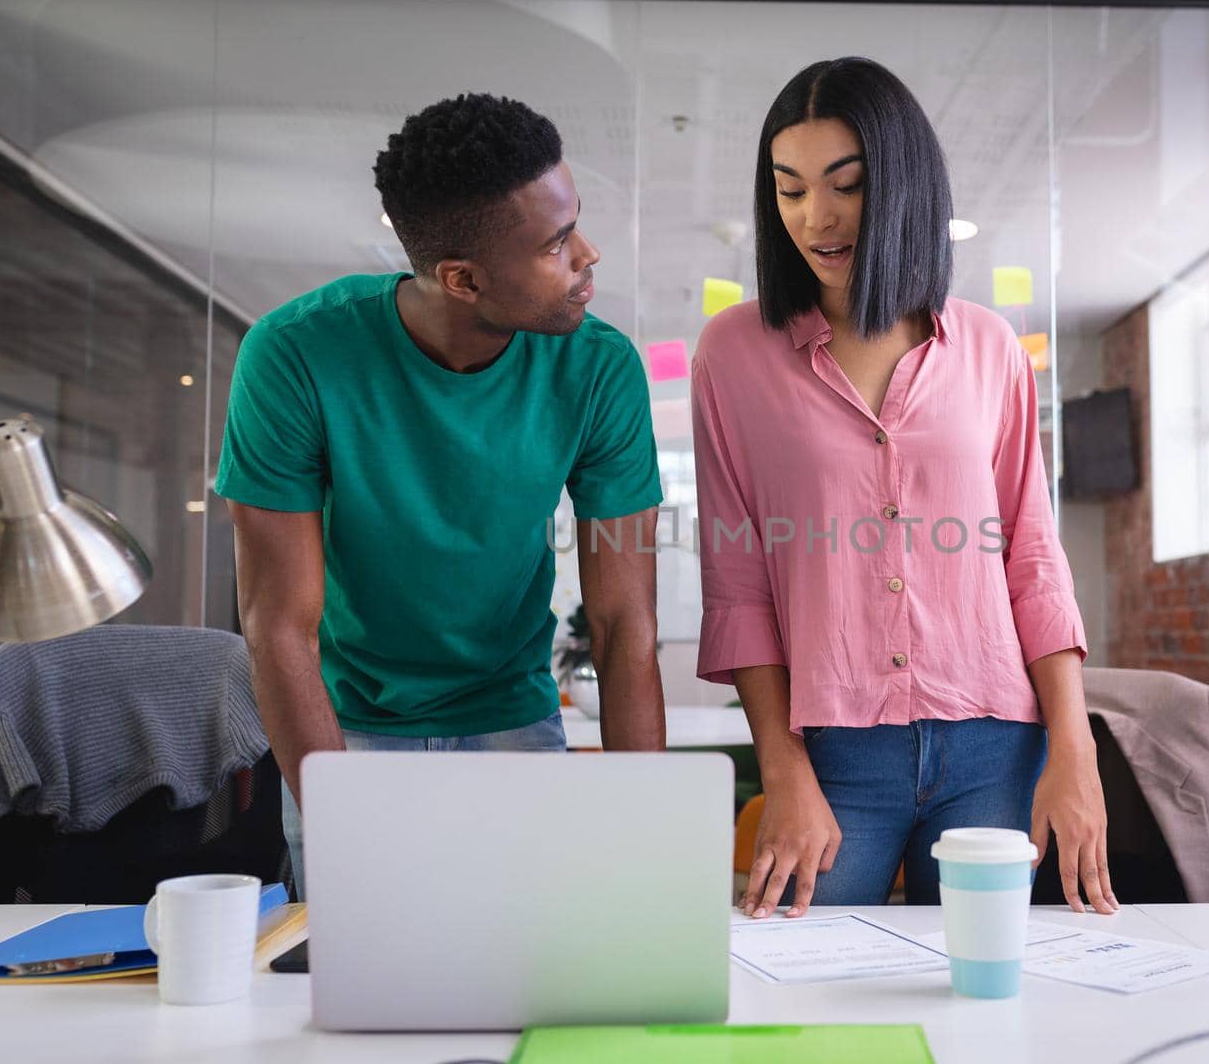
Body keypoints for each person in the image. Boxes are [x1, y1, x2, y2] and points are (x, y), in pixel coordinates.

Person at [692, 58, 1116, 919]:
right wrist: (782, 769)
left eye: (845, 185)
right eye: (791, 189)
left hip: (998, 748)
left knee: (984, 1006)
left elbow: (1033, 558)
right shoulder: (732, 355)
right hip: (835, 755)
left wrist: (1075, 749)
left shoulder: (993, 349)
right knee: (797, 1001)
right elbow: (738, 586)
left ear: (904, 184)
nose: (817, 217)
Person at [216, 94, 666, 899]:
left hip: (514, 718)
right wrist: (341, 816)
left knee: (530, 978)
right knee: (364, 994)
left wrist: (645, 834)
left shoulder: (600, 369)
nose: (589, 255)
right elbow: (278, 625)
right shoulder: (293, 355)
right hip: (343, 729)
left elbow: (624, 620)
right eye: (558, 243)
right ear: (463, 278)